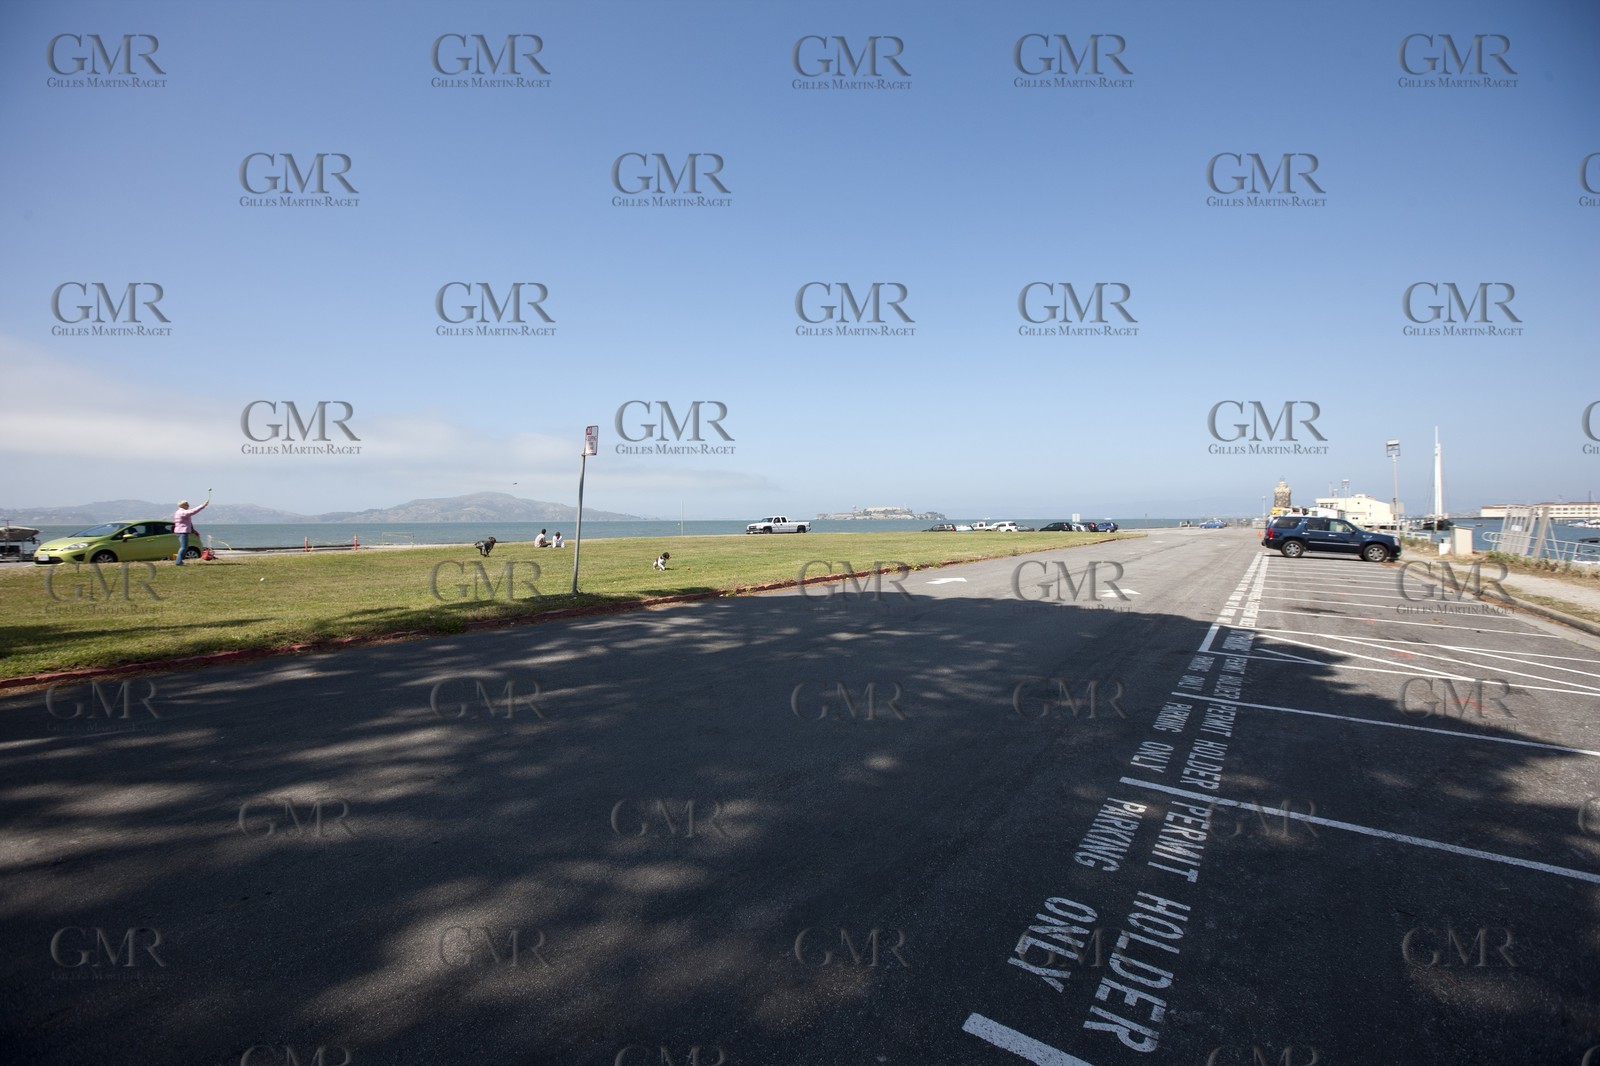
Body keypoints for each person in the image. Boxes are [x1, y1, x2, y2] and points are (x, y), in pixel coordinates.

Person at [173, 497, 209, 564]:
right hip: (182, 532)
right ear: (183, 505)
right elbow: (193, 511)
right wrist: (203, 505)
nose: (188, 506)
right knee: (184, 547)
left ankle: (179, 561)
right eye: (187, 504)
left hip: (179, 531)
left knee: (184, 547)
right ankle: (178, 561)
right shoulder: (182, 512)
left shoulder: (178, 512)